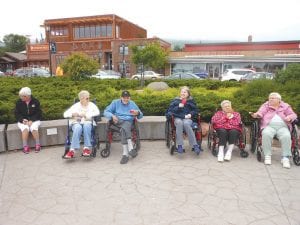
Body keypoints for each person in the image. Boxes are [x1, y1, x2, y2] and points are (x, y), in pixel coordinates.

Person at [251, 92, 297, 169]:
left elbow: (293, 115)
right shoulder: (266, 105)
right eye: (269, 98)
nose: (270, 99)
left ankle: (285, 157)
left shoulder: (285, 106)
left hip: (283, 127)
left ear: (279, 100)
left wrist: (289, 117)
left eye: (273, 98)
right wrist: (256, 115)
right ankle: (267, 155)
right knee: (266, 134)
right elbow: (261, 112)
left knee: (286, 136)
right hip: (268, 126)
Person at [104, 90, 143, 164]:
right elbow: (106, 112)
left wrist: (137, 113)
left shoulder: (132, 104)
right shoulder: (115, 102)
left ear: (129, 98)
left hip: (128, 122)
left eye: (127, 98)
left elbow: (140, 115)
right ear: (121, 97)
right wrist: (112, 116)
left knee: (123, 129)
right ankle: (130, 147)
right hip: (117, 121)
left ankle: (125, 154)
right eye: (124, 97)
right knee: (125, 125)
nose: (126, 99)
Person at [63, 90, 100, 158]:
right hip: (77, 123)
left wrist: (86, 115)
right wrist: (72, 114)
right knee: (77, 127)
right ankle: (72, 150)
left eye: (88, 98)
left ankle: (86, 148)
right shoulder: (76, 106)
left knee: (86, 126)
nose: (88, 100)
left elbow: (97, 112)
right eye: (87, 98)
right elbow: (65, 114)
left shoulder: (91, 105)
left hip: (87, 122)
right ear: (81, 98)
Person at [166, 86, 201, 155]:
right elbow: (170, 111)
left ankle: (195, 145)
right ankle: (180, 145)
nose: (183, 93)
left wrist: (190, 114)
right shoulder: (175, 101)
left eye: (185, 92)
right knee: (179, 123)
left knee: (186, 124)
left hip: (187, 118)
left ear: (188, 94)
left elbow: (195, 110)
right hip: (177, 118)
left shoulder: (191, 101)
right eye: (182, 92)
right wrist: (178, 107)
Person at [15, 87, 42, 154]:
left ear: (28, 96)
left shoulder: (35, 101)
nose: (21, 98)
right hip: (23, 120)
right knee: (25, 128)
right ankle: (25, 146)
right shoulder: (19, 102)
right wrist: (22, 120)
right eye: (21, 96)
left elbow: (39, 113)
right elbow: (17, 113)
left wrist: (31, 120)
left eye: (23, 96)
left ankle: (38, 145)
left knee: (33, 128)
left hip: (35, 120)